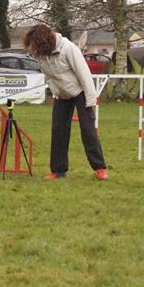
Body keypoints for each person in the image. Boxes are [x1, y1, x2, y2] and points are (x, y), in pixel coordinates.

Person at [23, 24, 108, 180]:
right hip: (62, 95)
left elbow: (84, 75)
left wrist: (90, 101)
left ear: (43, 41)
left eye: (35, 44)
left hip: (81, 92)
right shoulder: (41, 53)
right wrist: (56, 92)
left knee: (88, 131)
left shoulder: (68, 48)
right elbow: (48, 76)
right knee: (58, 131)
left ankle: (100, 168)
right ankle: (58, 171)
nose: (33, 49)